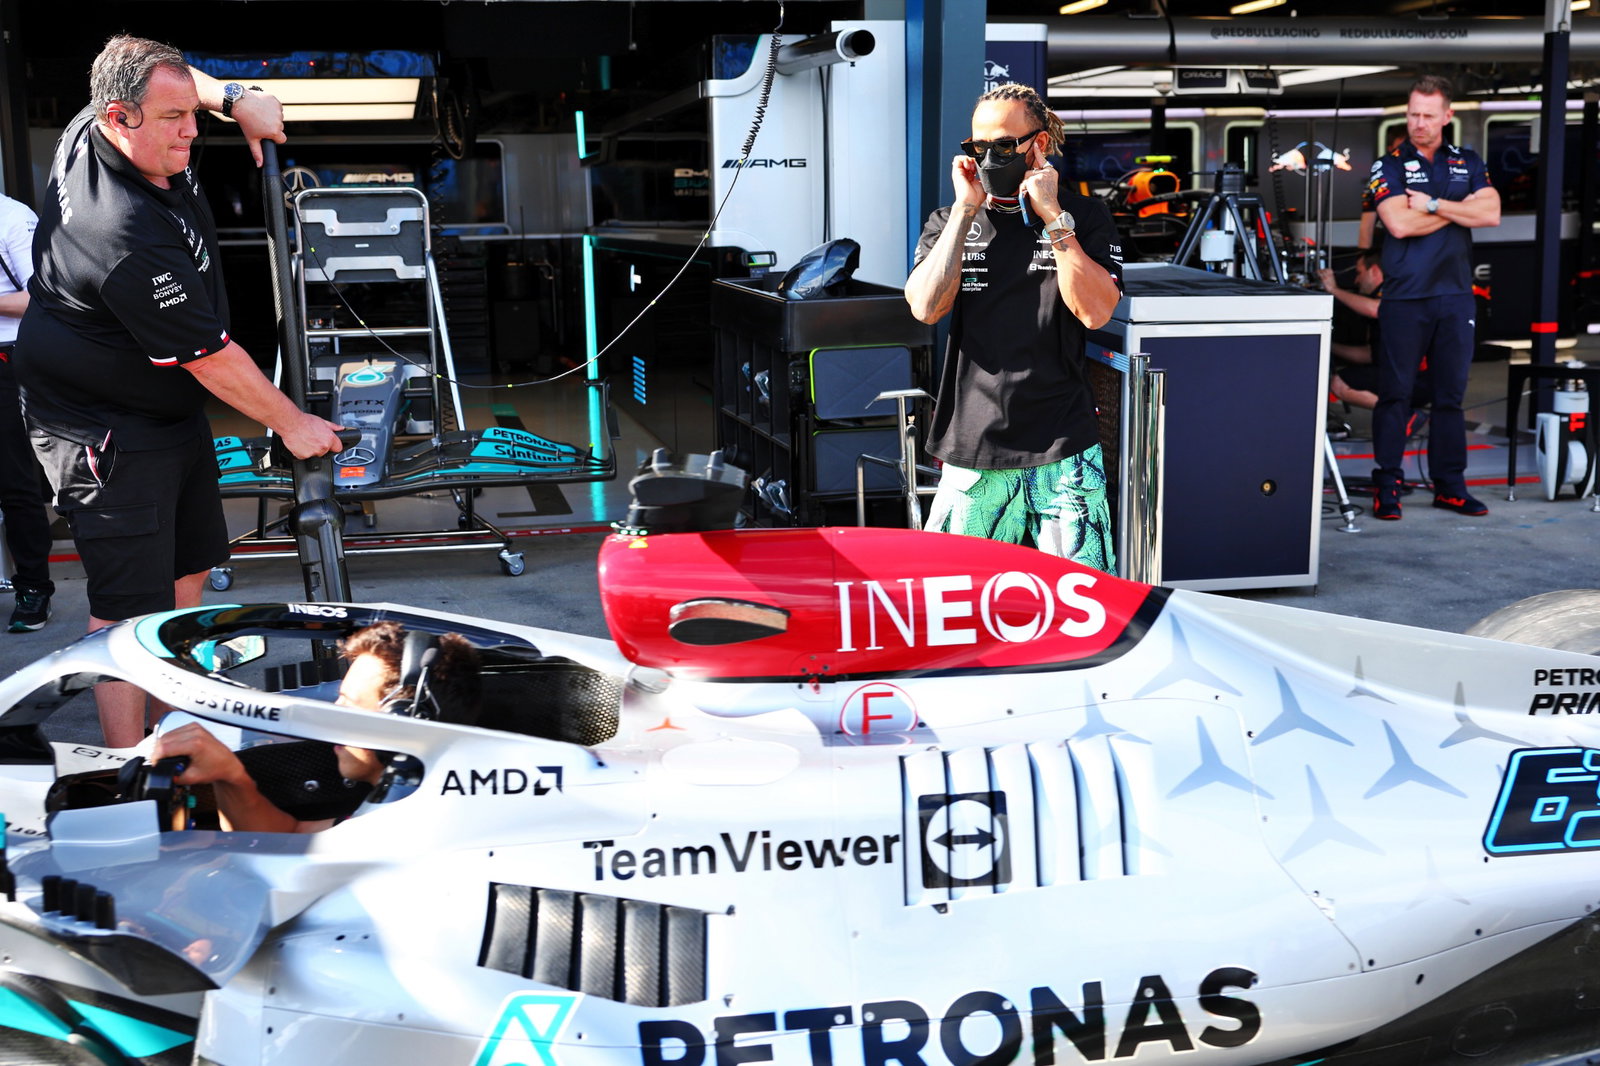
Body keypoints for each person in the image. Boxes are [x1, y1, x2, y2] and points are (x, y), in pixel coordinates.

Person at [15, 36, 346, 746]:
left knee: (190, 561)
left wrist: (233, 99)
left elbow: (178, 80)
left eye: (189, 114)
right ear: (120, 118)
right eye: (173, 119)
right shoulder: (122, 231)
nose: (192, 131)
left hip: (162, 407)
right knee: (126, 608)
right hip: (99, 427)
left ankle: (174, 721)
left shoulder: (91, 124)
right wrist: (291, 422)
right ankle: (127, 768)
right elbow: (209, 358)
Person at [905, 82, 1123, 570]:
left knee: (1083, 601)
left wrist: (1052, 218)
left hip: (1063, 442)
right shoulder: (949, 221)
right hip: (973, 443)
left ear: (1038, 144)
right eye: (978, 148)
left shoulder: (1084, 217)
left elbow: (1096, 311)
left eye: (1003, 146)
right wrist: (965, 210)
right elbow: (925, 307)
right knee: (955, 597)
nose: (990, 158)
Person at [151, 622, 483, 833]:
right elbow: (292, 834)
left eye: (349, 705)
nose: (332, 715)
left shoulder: (416, 827)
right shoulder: (410, 805)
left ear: (405, 723)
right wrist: (230, 775)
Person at [1366, 74, 1500, 520]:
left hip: (1456, 295)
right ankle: (1387, 484)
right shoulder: (1387, 165)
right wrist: (1460, 209)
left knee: (1450, 396)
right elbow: (1399, 225)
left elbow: (1493, 213)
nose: (1418, 123)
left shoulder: (1468, 159)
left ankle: (1451, 486)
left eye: (1427, 115)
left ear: (1447, 116)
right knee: (1395, 394)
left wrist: (1431, 204)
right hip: (1406, 296)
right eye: (1412, 114)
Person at [0, 193, 56, 631]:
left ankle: (33, 589)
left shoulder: (12, 218)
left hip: (8, 358)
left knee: (14, 483)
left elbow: (44, 297)